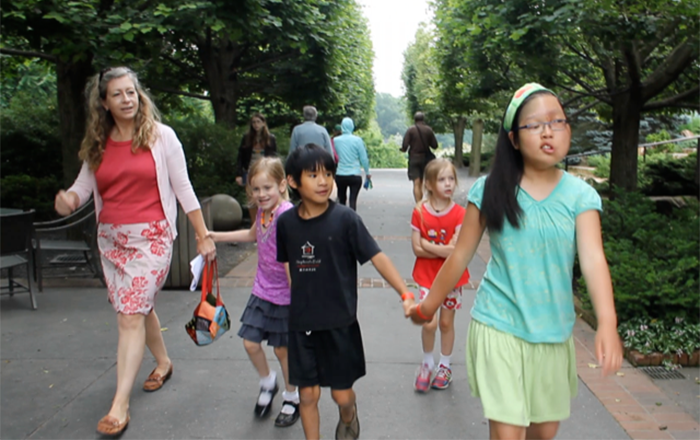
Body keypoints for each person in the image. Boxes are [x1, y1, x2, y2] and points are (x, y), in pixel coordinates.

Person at [409, 83, 623, 440]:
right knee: (509, 435)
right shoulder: (491, 190)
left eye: (557, 122)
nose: (548, 131)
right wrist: (428, 306)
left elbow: (593, 260)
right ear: (513, 138)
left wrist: (608, 322)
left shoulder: (580, 196)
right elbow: (461, 255)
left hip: (553, 334)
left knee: (543, 433)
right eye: (535, 124)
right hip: (499, 325)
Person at [53, 66, 217, 436]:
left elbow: (184, 188)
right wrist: (68, 200)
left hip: (153, 237)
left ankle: (119, 405)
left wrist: (202, 234)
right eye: (117, 94)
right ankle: (163, 362)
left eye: (131, 92)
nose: (127, 99)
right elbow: (82, 186)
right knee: (139, 309)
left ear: (139, 95)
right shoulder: (98, 143)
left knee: (129, 314)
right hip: (112, 241)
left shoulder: (161, 137)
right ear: (104, 103)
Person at [276, 144, 415, 440]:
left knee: (341, 396)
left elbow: (377, 257)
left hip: (340, 324)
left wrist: (405, 293)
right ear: (292, 181)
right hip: (302, 325)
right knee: (308, 396)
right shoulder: (286, 223)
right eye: (313, 175)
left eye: (328, 173)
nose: (324, 181)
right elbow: (288, 263)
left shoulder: (346, 220)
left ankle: (349, 413)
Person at [209, 157, 299, 427]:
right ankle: (267, 381)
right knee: (250, 342)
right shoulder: (263, 211)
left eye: (267, 188)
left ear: (282, 185)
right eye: (256, 189)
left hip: (285, 295)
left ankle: (291, 396)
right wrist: (215, 235)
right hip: (262, 289)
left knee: (283, 350)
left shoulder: (286, 215)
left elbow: (290, 260)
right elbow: (252, 236)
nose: (261, 195)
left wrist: (300, 300)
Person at [410, 158, 469, 393]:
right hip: (426, 277)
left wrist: (428, 245)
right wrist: (439, 249)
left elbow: (455, 251)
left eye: (451, 179)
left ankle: (445, 366)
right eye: (442, 179)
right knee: (429, 322)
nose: (448, 184)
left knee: (446, 322)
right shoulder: (419, 212)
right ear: (429, 184)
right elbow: (415, 248)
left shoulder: (460, 214)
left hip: (452, 277)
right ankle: (427, 363)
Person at [235, 112, 278, 222]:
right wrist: (239, 174)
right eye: (253, 122)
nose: (256, 125)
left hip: (265, 172)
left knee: (264, 197)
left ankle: (266, 222)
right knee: (251, 199)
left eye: (258, 122)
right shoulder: (247, 138)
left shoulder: (270, 138)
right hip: (249, 171)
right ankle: (254, 224)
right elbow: (240, 156)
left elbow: (274, 157)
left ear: (263, 123)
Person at [333, 117, 371, 211]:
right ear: (352, 127)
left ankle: (341, 220)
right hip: (355, 174)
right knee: (352, 200)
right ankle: (352, 219)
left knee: (342, 200)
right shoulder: (357, 140)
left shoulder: (336, 140)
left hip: (340, 174)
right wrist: (367, 172)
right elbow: (363, 158)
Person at [401, 111, 438, 203]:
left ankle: (419, 204)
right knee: (425, 182)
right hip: (426, 159)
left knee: (416, 183)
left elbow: (405, 146)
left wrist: (403, 149)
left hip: (414, 158)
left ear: (415, 119)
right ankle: (428, 202)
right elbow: (434, 145)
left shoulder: (410, 130)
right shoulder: (428, 130)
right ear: (423, 119)